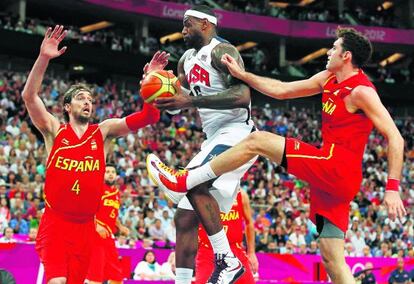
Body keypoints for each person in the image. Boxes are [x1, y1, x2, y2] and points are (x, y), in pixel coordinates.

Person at [147, 27, 407, 284]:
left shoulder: (362, 91)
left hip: (336, 166)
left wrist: (392, 188)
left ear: (346, 56)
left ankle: (185, 180)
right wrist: (243, 75)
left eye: (334, 47)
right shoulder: (328, 78)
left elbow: (395, 137)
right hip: (331, 179)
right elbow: (281, 90)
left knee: (258, 140)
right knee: (333, 261)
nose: (329, 51)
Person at [22, 25, 160, 283]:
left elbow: (148, 117)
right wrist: (43, 58)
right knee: (57, 280)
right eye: (81, 98)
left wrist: (151, 85)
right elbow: (29, 96)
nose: (87, 102)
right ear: (67, 106)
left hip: (86, 228)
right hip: (56, 223)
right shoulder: (53, 129)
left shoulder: (104, 131)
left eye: (90, 100)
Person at [146, 5, 256, 284]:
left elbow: (242, 95)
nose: (183, 30)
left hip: (237, 133)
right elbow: (175, 104)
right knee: (184, 219)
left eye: (188, 24)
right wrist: (157, 84)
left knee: (192, 182)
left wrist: (190, 100)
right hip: (214, 138)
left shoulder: (223, 51)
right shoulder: (185, 59)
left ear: (206, 24)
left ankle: (227, 261)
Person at [195, 189, 258, 284]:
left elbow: (249, 223)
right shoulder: (202, 192)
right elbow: (187, 224)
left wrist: (252, 252)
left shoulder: (241, 194)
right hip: (208, 250)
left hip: (235, 249)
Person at [86, 164, 130, 284]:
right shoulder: (97, 189)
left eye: (113, 172)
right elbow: (85, 210)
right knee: (96, 276)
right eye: (107, 171)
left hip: (108, 237)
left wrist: (120, 227)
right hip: (95, 236)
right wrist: (97, 225)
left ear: (116, 176)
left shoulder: (116, 193)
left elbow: (113, 215)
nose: (110, 174)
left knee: (117, 276)